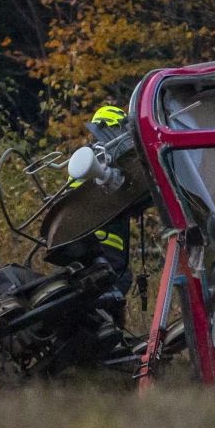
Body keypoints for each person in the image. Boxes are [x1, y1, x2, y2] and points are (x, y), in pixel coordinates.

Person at [68, 105, 133, 327]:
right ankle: (107, 344)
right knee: (112, 286)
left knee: (110, 289)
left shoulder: (87, 159)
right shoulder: (99, 161)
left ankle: (107, 346)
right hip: (103, 246)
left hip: (90, 245)